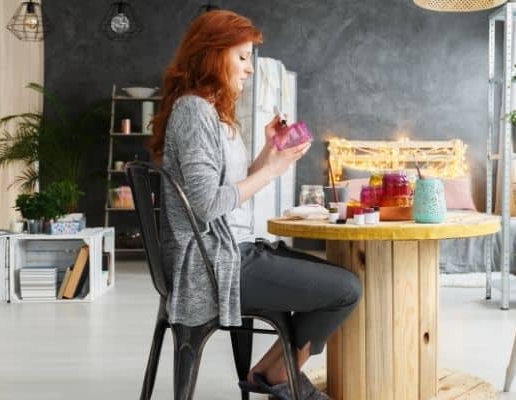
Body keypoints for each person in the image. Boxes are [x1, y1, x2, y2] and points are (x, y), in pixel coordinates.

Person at [149, 10, 361, 400]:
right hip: (213, 266)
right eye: (242, 56)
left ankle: (273, 373)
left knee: (340, 281)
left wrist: (270, 152)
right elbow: (208, 204)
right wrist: (273, 169)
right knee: (346, 288)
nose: (248, 68)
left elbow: (227, 186)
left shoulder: (209, 111)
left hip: (232, 254)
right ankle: (278, 375)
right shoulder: (194, 111)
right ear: (213, 54)